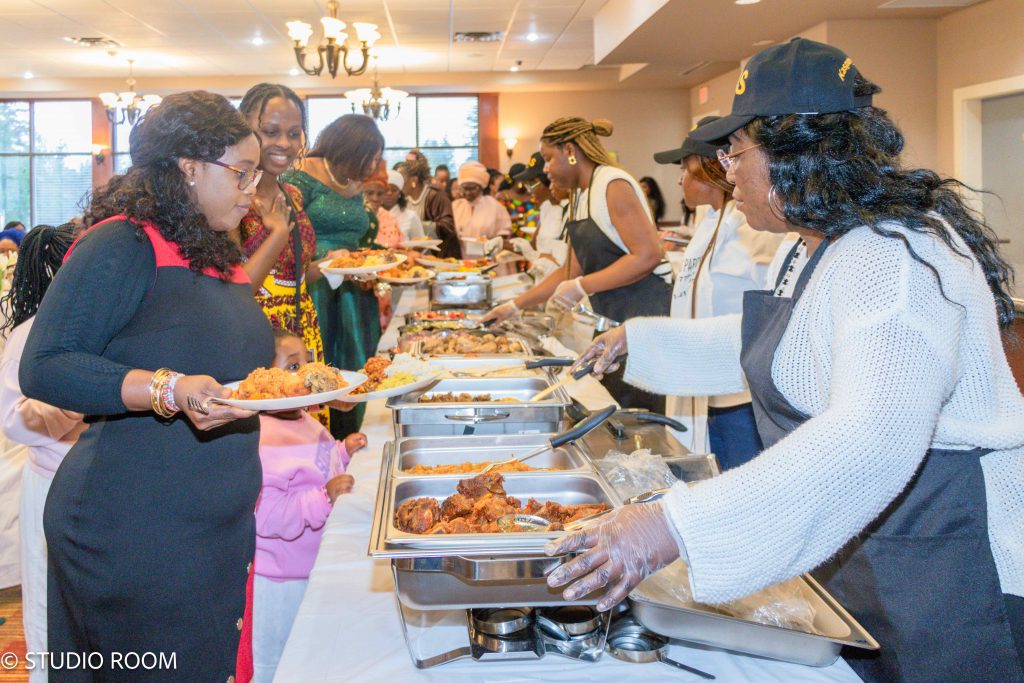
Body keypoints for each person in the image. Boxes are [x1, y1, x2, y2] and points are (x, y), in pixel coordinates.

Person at [548, 39, 1024, 682]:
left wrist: (672, 526)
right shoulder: (814, 244)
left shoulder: (896, 255)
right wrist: (640, 339)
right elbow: (784, 351)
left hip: (948, 555)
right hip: (875, 543)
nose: (727, 172)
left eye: (735, 152)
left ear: (797, 154)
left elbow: (872, 435)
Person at [20, 90, 274, 681]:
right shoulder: (122, 242)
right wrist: (169, 389)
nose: (252, 190)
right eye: (242, 172)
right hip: (134, 525)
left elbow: (205, 345)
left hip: (208, 518)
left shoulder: (212, 247)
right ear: (189, 167)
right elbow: (46, 365)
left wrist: (280, 356)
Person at [483, 117, 672, 412]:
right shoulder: (580, 195)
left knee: (642, 411)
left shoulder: (612, 183)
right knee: (616, 406)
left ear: (570, 151)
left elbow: (648, 255)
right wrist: (513, 306)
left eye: (548, 159)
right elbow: (571, 268)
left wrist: (583, 285)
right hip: (611, 318)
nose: (546, 169)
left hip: (644, 313)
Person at [651, 116, 784, 467]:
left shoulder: (754, 227)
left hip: (740, 400)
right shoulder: (709, 222)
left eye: (685, 167)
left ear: (710, 169)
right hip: (705, 391)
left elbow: (772, 310)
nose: (680, 178)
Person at [252, 329, 365, 683]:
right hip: (281, 581)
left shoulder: (302, 417)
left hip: (311, 565)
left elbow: (318, 466)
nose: (304, 375)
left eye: (306, 363)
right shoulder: (264, 439)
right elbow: (268, 516)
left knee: (310, 656)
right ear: (263, 381)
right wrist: (324, 498)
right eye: (292, 366)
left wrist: (342, 453)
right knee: (280, 664)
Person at [0, 223, 86, 683]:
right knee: (47, 604)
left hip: (98, 479)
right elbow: (13, 418)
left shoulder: (101, 324)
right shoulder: (29, 335)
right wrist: (72, 405)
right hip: (51, 481)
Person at [281, 114, 386, 436]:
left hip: (354, 287)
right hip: (316, 283)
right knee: (325, 359)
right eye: (369, 157)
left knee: (358, 359)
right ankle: (325, 439)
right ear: (350, 148)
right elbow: (288, 233)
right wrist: (324, 260)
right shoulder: (301, 174)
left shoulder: (353, 181)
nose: (372, 165)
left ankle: (356, 433)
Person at [236, 83, 326, 375]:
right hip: (260, 339)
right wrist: (276, 236)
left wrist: (330, 267)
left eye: (294, 133)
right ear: (244, 130)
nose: (285, 144)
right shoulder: (234, 199)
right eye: (270, 132)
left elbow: (293, 277)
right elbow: (235, 292)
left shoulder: (292, 195)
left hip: (302, 333)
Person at [397, 157, 458, 258]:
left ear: (414, 180)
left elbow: (448, 226)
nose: (398, 185)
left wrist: (417, 225)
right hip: (417, 255)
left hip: (441, 256)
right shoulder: (405, 199)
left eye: (401, 180)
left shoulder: (436, 196)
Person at [451, 161, 512, 254]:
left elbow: (504, 233)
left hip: (489, 256)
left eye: (472, 188)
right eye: (464, 188)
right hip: (461, 257)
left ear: (481, 187)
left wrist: (491, 243)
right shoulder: (455, 206)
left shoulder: (494, 206)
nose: (467, 192)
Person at [362, 161, 403, 249]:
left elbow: (397, 246)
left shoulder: (390, 218)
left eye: (379, 194)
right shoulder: (355, 215)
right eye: (370, 193)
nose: (375, 198)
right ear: (362, 193)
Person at [383, 169, 425, 241]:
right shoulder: (373, 215)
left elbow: (421, 243)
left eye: (394, 190)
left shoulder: (411, 216)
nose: (389, 193)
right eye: (386, 190)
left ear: (399, 194)